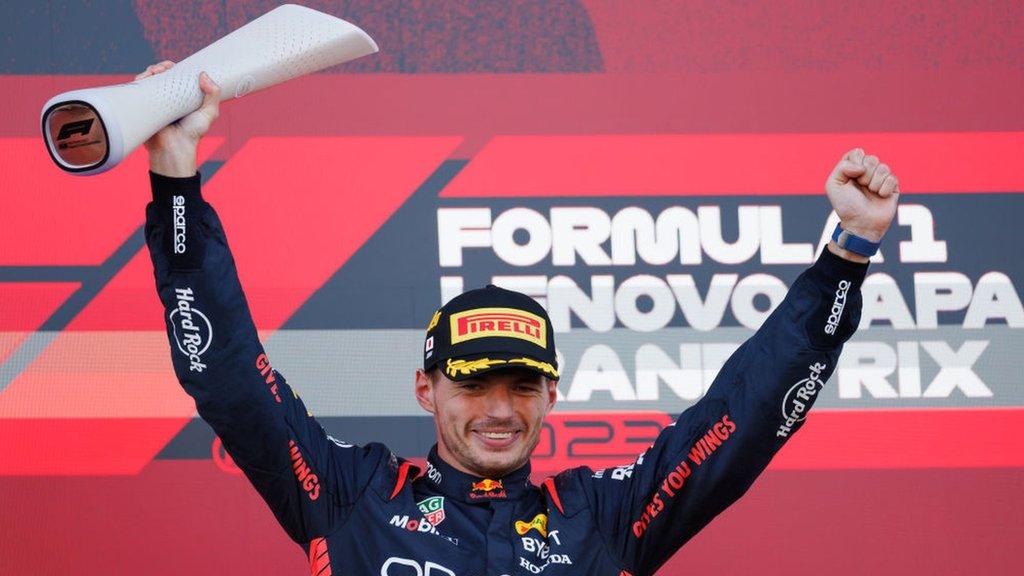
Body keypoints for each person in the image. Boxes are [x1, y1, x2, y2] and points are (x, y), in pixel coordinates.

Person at [141, 62, 899, 576]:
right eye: (473, 385)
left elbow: (746, 413)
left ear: (552, 397)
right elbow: (229, 375)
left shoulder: (603, 516)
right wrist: (177, 180)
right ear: (425, 390)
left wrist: (848, 254)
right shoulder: (352, 494)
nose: (501, 410)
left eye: (522, 385)